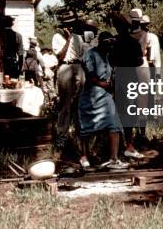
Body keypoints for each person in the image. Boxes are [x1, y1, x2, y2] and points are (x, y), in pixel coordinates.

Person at [78, 32, 129, 170]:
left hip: (105, 95)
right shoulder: (90, 54)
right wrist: (105, 85)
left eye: (111, 44)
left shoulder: (106, 56)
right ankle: (84, 156)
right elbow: (90, 77)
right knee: (86, 127)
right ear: (100, 42)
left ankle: (113, 158)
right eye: (107, 43)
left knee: (114, 124)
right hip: (92, 94)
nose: (110, 46)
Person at [109, 13, 145, 160]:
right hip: (131, 78)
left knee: (118, 112)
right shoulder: (134, 42)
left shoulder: (114, 42)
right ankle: (129, 146)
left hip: (119, 79)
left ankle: (116, 149)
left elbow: (110, 60)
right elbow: (139, 62)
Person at [52, 10, 85, 149]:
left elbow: (83, 55)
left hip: (78, 66)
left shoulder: (79, 38)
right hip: (65, 67)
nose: (70, 27)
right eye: (67, 25)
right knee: (65, 104)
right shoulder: (57, 37)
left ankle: (80, 133)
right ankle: (62, 134)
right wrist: (68, 39)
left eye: (72, 24)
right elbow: (60, 56)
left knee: (80, 103)